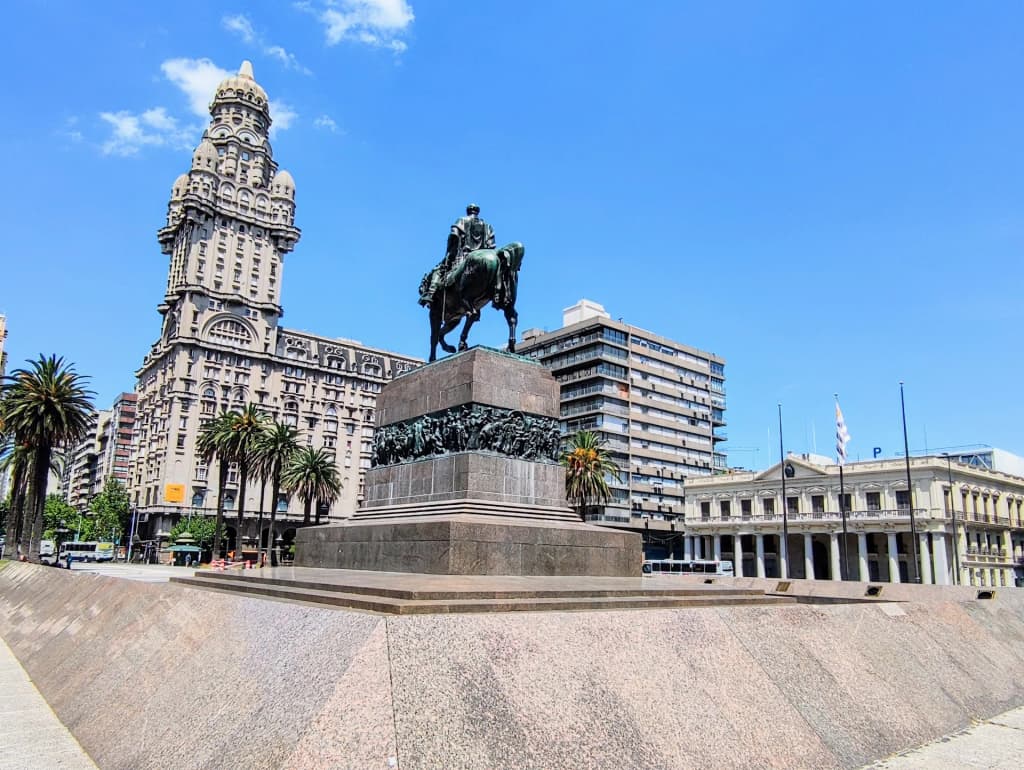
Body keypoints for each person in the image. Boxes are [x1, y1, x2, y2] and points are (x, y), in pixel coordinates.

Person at [419, 204, 495, 306]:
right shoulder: (487, 226)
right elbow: (491, 246)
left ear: (468, 211)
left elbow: (454, 236)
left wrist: (449, 254)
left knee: (438, 271)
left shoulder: (462, 220)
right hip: (484, 258)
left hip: (463, 256)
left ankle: (430, 294)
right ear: (477, 212)